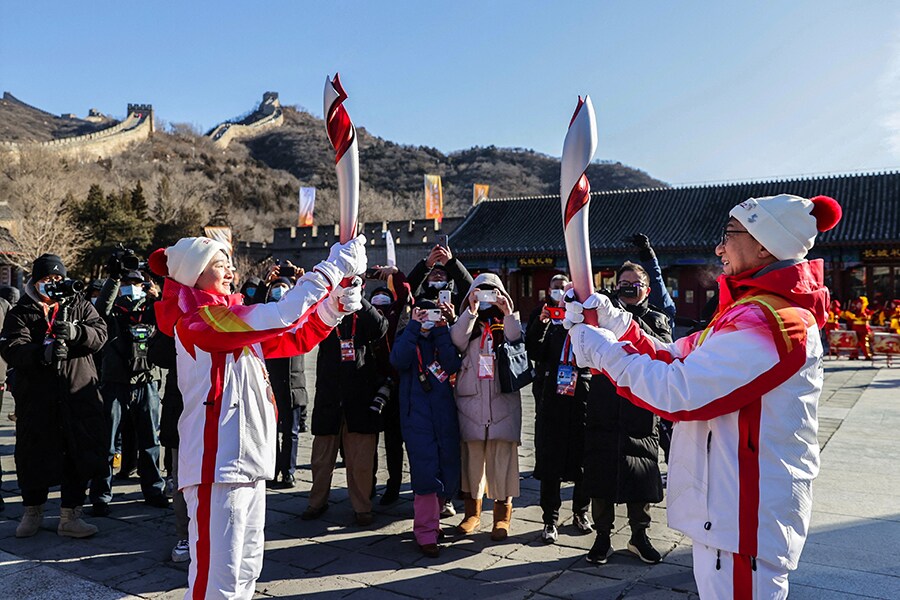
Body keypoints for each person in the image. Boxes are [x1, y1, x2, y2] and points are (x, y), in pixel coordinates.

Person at [564, 194, 842, 598]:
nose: (719, 247)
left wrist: (602, 351)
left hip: (746, 517)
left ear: (764, 243)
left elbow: (681, 392)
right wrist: (612, 320)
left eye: (728, 235)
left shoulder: (777, 323)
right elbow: (671, 355)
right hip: (727, 511)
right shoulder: (747, 312)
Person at [150, 235, 366, 599]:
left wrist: (334, 309)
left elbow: (295, 335)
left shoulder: (231, 322)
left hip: (248, 461)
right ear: (194, 274)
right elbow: (279, 313)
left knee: (246, 568)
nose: (231, 272)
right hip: (215, 467)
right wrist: (333, 269)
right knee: (216, 578)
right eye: (220, 265)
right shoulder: (197, 320)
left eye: (229, 265)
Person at [0, 254, 108, 538]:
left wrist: (76, 332)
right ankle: (32, 512)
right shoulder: (21, 310)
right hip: (37, 396)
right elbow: (11, 347)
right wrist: (42, 354)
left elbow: (100, 334)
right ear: (35, 281)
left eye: (58, 278)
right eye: (47, 279)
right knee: (32, 454)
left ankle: (70, 516)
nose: (53, 284)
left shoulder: (79, 304)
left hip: (76, 392)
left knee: (76, 454)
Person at [582, 262, 671, 565]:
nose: (627, 287)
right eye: (623, 282)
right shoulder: (602, 316)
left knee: (640, 473)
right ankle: (602, 535)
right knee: (601, 472)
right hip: (605, 401)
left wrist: (623, 321)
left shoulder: (657, 318)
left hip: (640, 407)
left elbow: (661, 348)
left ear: (647, 288)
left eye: (635, 283)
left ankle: (639, 535)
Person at [302, 291, 388, 526]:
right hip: (329, 396)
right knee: (321, 458)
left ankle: (362, 507)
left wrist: (359, 300)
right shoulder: (326, 313)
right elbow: (306, 324)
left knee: (360, 460)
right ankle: (316, 502)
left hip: (359, 397)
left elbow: (381, 328)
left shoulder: (363, 314)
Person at [450, 273, 523, 541]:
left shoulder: (505, 322)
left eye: (492, 292)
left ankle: (502, 517)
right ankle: (472, 514)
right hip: (470, 401)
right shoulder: (467, 322)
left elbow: (517, 341)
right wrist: (470, 310)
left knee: (502, 462)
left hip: (502, 399)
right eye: (481, 292)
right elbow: (456, 340)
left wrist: (508, 312)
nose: (486, 298)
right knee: (471, 463)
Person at [90, 268, 168, 514]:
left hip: (147, 380)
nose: (132, 286)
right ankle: (101, 495)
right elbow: (100, 309)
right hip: (115, 381)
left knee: (150, 441)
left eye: (137, 282)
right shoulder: (113, 309)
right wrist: (114, 279)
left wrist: (157, 296)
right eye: (128, 282)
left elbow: (170, 319)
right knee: (107, 442)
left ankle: (154, 490)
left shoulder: (152, 308)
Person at [390, 301, 461, 557]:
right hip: (416, 414)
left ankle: (433, 521)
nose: (427, 317)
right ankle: (425, 531)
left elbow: (452, 365)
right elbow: (398, 360)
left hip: (444, 413)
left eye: (432, 313)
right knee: (425, 471)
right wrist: (413, 327)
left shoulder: (443, 336)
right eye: (422, 313)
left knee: (448, 466)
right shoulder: (406, 335)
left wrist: (442, 330)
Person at [525, 274, 593, 544]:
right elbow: (534, 351)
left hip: (582, 397)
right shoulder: (550, 323)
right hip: (553, 398)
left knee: (583, 460)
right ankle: (549, 519)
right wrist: (542, 325)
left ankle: (581, 512)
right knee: (551, 461)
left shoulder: (590, 326)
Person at [366, 266, 414, 506]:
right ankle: (368, 485)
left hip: (398, 385)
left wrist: (393, 273)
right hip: (370, 386)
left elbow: (406, 294)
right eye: (376, 299)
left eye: (384, 297)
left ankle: (394, 486)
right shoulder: (366, 316)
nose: (380, 301)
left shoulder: (397, 315)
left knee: (395, 441)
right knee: (370, 440)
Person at [263, 277, 309, 489]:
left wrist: (301, 282)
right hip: (271, 384)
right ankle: (272, 470)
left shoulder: (297, 317)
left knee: (291, 432)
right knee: (270, 432)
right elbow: (254, 308)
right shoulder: (268, 316)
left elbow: (310, 302)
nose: (279, 291)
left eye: (284, 287)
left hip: (294, 383)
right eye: (276, 287)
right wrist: (265, 284)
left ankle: (288, 472)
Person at [407, 244, 474, 313]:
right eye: (433, 273)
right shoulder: (418, 300)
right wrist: (427, 265)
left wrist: (451, 263)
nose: (438, 275)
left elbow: (470, 288)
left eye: (442, 273)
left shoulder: (457, 300)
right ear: (426, 278)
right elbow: (408, 288)